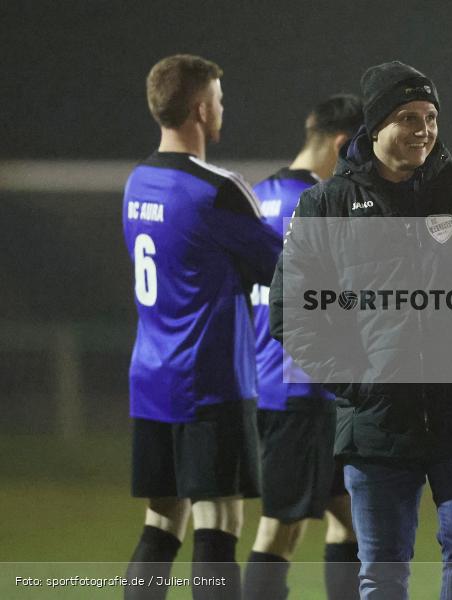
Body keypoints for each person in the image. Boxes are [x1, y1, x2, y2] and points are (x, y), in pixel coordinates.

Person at [270, 61, 452, 600]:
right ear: (374, 127)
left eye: (431, 116)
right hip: (376, 426)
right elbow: (292, 314)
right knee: (383, 573)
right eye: (408, 117)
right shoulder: (327, 205)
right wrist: (358, 385)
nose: (423, 129)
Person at [122, 54, 282, 600]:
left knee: (163, 522)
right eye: (217, 97)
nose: (222, 106)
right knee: (219, 524)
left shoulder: (137, 183)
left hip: (150, 380)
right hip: (210, 381)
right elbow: (281, 268)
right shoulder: (217, 189)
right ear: (198, 107)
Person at [242, 93, 364, 600]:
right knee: (280, 529)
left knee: (354, 519)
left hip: (270, 379)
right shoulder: (320, 203)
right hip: (302, 388)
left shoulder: (257, 194)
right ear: (342, 144)